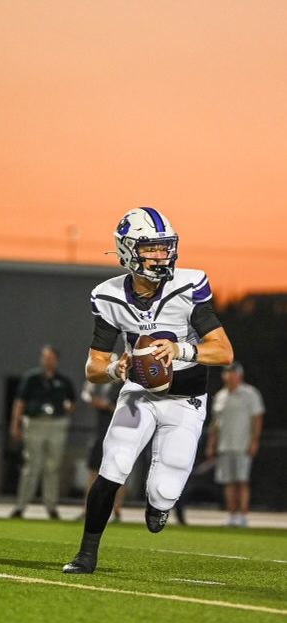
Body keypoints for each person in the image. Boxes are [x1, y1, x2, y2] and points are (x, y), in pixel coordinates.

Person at [63, 207, 233, 574]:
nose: (162, 256)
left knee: (164, 490)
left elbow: (224, 351)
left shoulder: (189, 286)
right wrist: (114, 368)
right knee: (114, 466)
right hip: (139, 395)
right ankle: (86, 554)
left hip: (186, 399)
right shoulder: (108, 297)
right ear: (127, 251)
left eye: (165, 248)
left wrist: (180, 349)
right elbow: (93, 368)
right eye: (152, 249)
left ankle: (159, 503)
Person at [10, 345, 76, 519]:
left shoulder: (63, 380)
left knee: (53, 467)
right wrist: (15, 425)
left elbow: (72, 401)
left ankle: (51, 506)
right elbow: (19, 403)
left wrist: (67, 410)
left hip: (56, 423)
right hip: (35, 422)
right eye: (45, 357)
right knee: (32, 465)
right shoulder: (31, 378)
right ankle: (21, 505)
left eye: (51, 357)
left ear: (56, 360)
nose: (48, 361)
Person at [205, 361, 264, 527]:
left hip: (242, 445)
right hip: (224, 445)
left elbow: (257, 419)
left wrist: (254, 441)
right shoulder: (221, 396)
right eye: (227, 373)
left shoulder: (250, 393)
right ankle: (232, 514)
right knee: (228, 482)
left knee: (242, 481)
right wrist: (212, 444)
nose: (229, 376)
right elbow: (215, 424)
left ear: (240, 375)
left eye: (233, 373)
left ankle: (243, 515)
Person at [80, 377, 125, 522]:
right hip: (102, 433)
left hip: (120, 432)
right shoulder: (102, 384)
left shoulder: (126, 384)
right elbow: (87, 394)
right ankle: (87, 509)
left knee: (120, 471)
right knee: (93, 470)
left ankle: (117, 510)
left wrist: (108, 406)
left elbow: (130, 407)